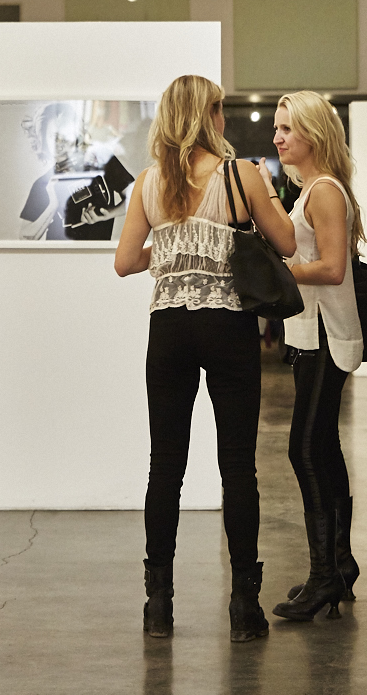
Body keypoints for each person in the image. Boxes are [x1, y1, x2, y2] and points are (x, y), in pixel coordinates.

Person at [114, 75, 296, 642]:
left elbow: (124, 262)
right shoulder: (243, 175)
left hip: (168, 328)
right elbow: (286, 243)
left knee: (164, 467)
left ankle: (157, 606)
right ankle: (245, 606)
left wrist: (171, 246)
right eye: (220, 110)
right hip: (227, 324)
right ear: (208, 116)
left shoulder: (149, 182)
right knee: (237, 466)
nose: (224, 119)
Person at [270, 91, 367, 622]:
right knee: (322, 447)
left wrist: (274, 275)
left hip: (328, 334)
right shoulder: (310, 189)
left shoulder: (324, 190)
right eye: (278, 128)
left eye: (288, 129)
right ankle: (340, 564)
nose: (278, 137)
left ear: (314, 133)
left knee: (304, 449)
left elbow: (332, 268)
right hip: (315, 333)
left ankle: (324, 576)